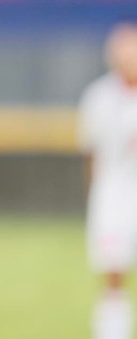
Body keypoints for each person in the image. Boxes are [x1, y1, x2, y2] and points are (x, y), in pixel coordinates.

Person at [78, 22, 137, 339]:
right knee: (113, 274)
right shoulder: (98, 97)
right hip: (113, 198)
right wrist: (96, 197)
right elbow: (91, 153)